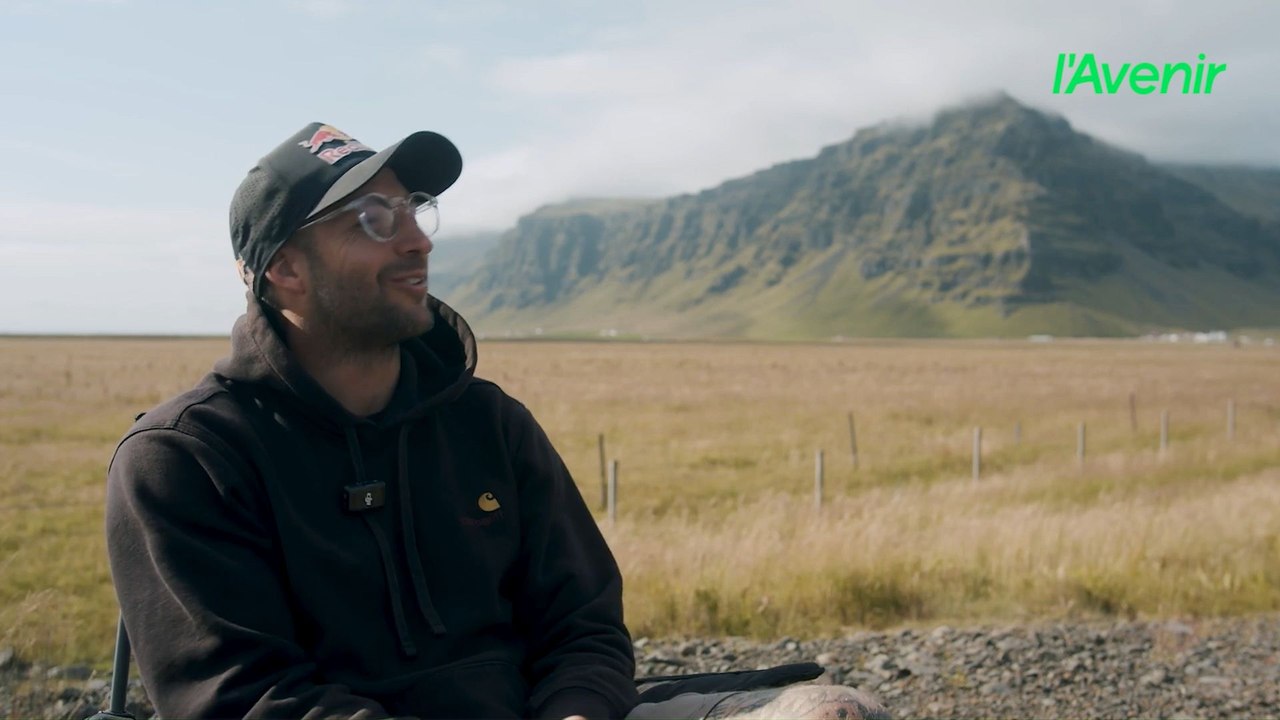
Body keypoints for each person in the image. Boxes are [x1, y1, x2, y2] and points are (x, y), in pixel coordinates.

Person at [105, 123, 889, 720]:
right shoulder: (188, 461)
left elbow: (583, 624)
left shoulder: (488, 423)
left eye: (414, 210)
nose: (416, 239)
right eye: (372, 220)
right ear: (284, 269)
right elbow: (249, 699)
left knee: (833, 713)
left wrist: (577, 711)